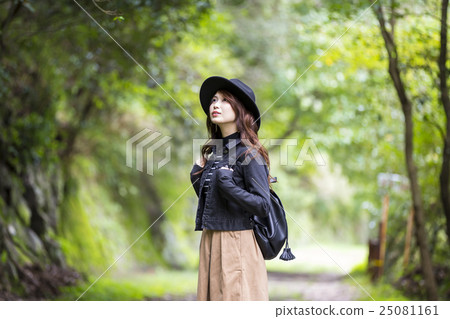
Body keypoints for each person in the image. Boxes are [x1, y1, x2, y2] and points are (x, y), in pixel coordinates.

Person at [190, 76, 274, 301]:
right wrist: (197, 177)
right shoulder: (215, 153)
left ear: (241, 109)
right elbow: (217, 202)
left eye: (225, 100)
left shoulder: (249, 153)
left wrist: (229, 186)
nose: (215, 105)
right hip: (210, 239)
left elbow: (263, 205)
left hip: (237, 242)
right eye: (214, 100)